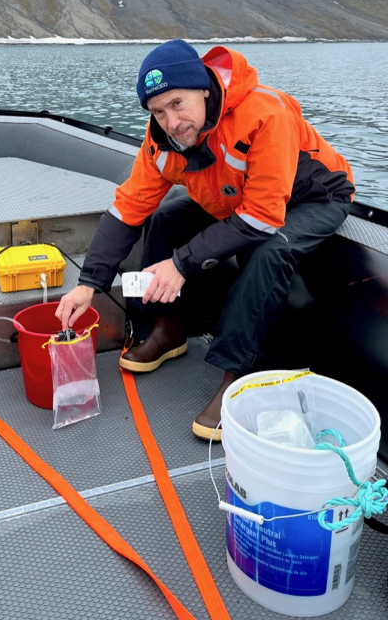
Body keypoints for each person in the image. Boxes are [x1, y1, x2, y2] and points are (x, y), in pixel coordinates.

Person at [55, 40, 355, 441]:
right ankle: (169, 329)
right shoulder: (161, 140)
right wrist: (88, 284)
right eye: (158, 111)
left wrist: (182, 264)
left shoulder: (266, 113)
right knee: (163, 220)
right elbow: (130, 207)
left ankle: (241, 375)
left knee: (267, 251)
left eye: (177, 104)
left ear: (204, 89)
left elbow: (264, 217)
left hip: (312, 198)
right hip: (234, 201)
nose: (171, 121)